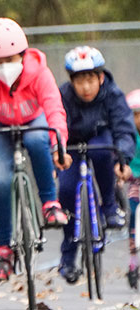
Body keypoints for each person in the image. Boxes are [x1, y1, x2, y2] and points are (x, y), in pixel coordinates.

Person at [0, 17, 72, 282]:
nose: (4, 67)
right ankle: (4, 250)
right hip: (0, 129)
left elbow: (54, 111)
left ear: (23, 55)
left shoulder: (39, 73)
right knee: (1, 181)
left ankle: (50, 202)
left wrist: (60, 148)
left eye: (11, 59)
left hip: (34, 121)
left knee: (39, 140)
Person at [57, 46, 135, 284]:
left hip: (101, 139)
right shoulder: (62, 95)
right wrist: (55, 154)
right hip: (72, 145)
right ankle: (68, 257)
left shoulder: (112, 93)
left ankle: (110, 207)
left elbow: (123, 127)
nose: (86, 87)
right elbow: (55, 125)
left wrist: (123, 159)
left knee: (103, 152)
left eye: (91, 79)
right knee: (67, 191)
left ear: (100, 77)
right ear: (71, 82)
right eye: (79, 81)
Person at [125, 89, 140, 288]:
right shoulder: (128, 137)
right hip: (134, 180)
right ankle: (133, 263)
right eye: (135, 115)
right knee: (133, 216)